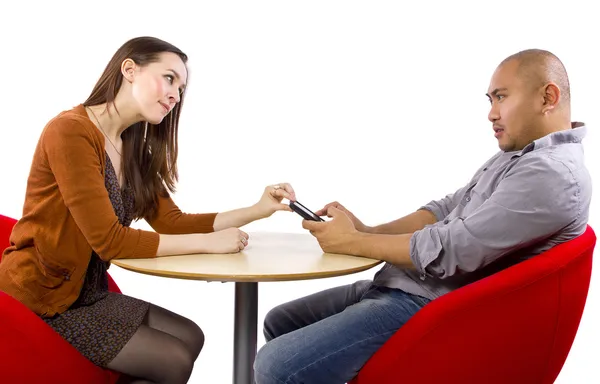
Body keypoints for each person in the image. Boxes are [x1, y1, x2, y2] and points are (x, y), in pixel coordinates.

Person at [253, 48, 592, 384]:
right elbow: (444, 210)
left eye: (500, 97)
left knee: (277, 366)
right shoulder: (522, 156)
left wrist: (355, 242)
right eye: (489, 100)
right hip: (409, 284)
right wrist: (370, 230)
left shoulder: (551, 175)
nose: (491, 114)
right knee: (280, 321)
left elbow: (453, 249)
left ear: (548, 97)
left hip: (430, 306)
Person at [0, 36, 296, 384]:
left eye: (181, 87)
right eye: (169, 78)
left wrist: (258, 209)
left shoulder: (132, 145)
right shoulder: (70, 132)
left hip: (88, 295)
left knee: (191, 336)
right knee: (172, 360)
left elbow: (171, 222)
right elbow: (111, 242)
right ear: (129, 69)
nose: (176, 94)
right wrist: (209, 243)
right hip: (44, 301)